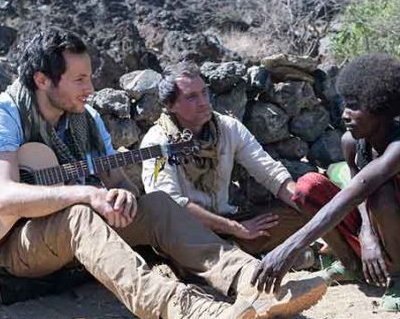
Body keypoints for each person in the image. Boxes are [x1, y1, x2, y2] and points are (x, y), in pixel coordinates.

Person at [0, 28, 326, 319]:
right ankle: (184, 310)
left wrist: (122, 194)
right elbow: (2, 198)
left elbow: (117, 180)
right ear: (42, 79)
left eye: (89, 76)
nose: (89, 87)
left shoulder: (86, 118)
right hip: (16, 242)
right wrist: (86, 194)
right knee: (78, 214)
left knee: (156, 204)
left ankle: (254, 281)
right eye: (79, 79)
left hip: (79, 228)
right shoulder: (3, 114)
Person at [251, 53, 400, 312]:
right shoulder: (352, 143)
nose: (344, 114)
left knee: (381, 190)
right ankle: (349, 265)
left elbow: (363, 190)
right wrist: (366, 235)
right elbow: (359, 195)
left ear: (381, 108)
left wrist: (289, 247)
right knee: (307, 186)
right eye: (345, 104)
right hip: (379, 230)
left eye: (354, 106)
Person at [140, 62, 348, 261]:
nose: (203, 101)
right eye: (191, 97)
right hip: (189, 233)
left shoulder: (227, 128)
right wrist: (234, 228)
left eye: (204, 92)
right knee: (180, 245)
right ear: (170, 105)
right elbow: (171, 206)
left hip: (231, 224)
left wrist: (323, 222)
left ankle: (235, 256)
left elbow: (271, 174)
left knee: (297, 215)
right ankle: (239, 260)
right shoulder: (156, 142)